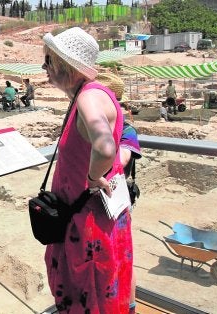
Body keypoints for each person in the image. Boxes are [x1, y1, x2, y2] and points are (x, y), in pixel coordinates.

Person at [41, 27, 132, 313]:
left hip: (86, 223)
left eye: (48, 60)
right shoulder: (95, 93)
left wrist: (93, 178)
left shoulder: (87, 97)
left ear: (63, 64)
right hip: (100, 216)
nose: (44, 67)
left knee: (88, 293)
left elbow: (105, 146)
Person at [96, 72, 143, 313]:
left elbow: (120, 160)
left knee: (122, 259)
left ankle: (129, 305)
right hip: (97, 203)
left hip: (116, 202)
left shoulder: (127, 130)